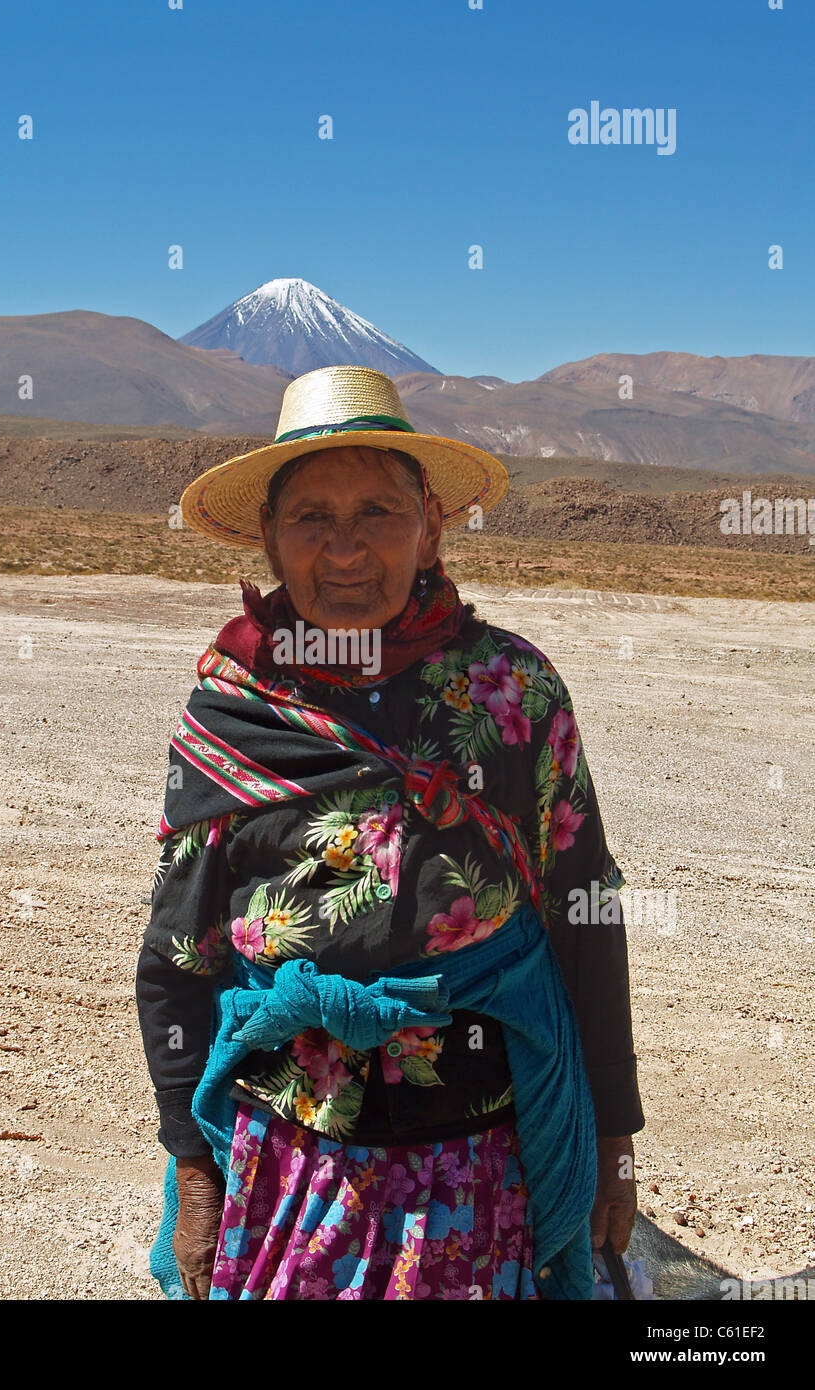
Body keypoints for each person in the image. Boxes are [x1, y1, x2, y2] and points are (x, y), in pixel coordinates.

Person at [136, 364, 643, 1301]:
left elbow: (585, 909)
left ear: (430, 527)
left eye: (377, 511)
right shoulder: (234, 708)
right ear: (269, 540)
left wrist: (612, 1135)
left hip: (476, 1169)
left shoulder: (511, 693)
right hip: (285, 1166)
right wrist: (193, 1168)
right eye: (311, 519)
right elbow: (178, 952)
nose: (344, 549)